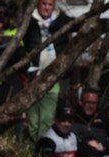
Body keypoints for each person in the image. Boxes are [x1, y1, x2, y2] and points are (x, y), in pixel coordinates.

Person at [23, 0, 68, 141]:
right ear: (37, 4)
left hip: (52, 77)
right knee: (33, 118)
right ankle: (34, 148)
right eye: (44, 4)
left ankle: (42, 147)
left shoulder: (61, 21)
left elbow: (80, 24)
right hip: (33, 76)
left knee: (47, 117)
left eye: (50, 5)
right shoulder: (29, 22)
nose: (47, 8)